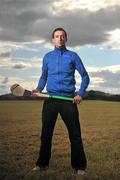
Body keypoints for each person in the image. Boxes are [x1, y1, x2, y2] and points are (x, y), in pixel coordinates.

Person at [33, 27, 90, 175]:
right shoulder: (47, 57)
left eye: (62, 36)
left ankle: (79, 166)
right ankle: (42, 164)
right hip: (50, 99)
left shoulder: (73, 56)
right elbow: (44, 76)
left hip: (68, 100)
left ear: (66, 39)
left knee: (75, 134)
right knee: (46, 134)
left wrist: (80, 93)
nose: (60, 38)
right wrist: (39, 89)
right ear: (53, 40)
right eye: (57, 36)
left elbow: (85, 76)